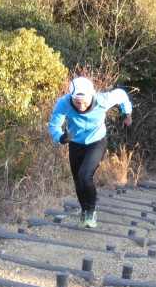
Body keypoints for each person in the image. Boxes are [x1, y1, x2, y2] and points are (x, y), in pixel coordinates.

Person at [49, 76, 132, 228]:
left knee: (85, 175)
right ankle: (84, 211)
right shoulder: (64, 103)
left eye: (85, 101)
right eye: (77, 101)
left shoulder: (102, 100)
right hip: (75, 143)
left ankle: (91, 212)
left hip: (97, 141)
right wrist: (60, 137)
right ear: (71, 97)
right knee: (77, 180)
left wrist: (127, 114)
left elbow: (121, 94)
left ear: (92, 95)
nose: (81, 105)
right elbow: (54, 125)